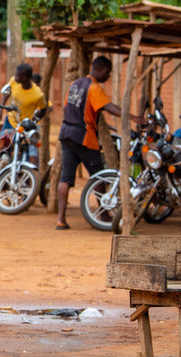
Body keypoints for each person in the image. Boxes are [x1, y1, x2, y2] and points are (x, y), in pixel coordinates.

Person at [55, 56, 144, 230]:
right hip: (84, 137)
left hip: (66, 134)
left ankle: (60, 220)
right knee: (99, 176)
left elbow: (66, 108)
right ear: (101, 69)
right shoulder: (94, 87)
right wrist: (133, 117)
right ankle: (103, 214)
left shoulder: (75, 84)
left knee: (65, 177)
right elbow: (109, 107)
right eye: (108, 73)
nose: (108, 77)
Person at [0, 63, 47, 164]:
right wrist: (0, 110)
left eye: (17, 75)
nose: (15, 77)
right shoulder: (14, 82)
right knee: (3, 146)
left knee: (30, 151)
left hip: (26, 126)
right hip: (10, 121)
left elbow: (43, 108)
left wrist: (34, 121)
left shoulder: (37, 94)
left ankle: (30, 174)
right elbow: (7, 92)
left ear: (24, 78)